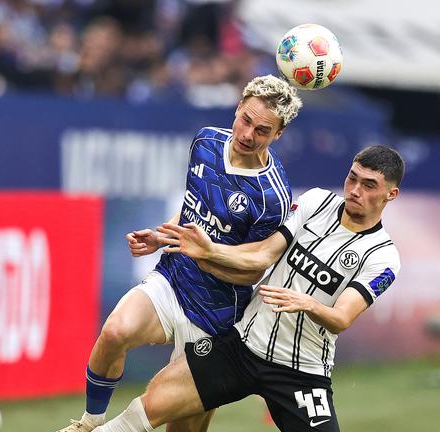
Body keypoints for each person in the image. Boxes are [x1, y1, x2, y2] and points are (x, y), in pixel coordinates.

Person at [92, 145, 405, 432]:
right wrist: (208, 251)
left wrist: (308, 303)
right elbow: (264, 253)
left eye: (369, 185)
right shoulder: (316, 202)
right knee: (150, 408)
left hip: (300, 372)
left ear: (391, 194)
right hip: (242, 346)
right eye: (353, 178)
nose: (355, 190)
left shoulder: (383, 255)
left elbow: (341, 318)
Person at [55, 74, 303, 432]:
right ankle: (89, 422)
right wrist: (162, 236)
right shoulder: (204, 142)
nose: (248, 134)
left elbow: (251, 271)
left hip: (216, 317)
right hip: (173, 280)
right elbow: (191, 211)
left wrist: (207, 252)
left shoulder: (272, 196)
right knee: (114, 332)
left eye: (262, 130)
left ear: (278, 135)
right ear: (237, 108)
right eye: (245, 120)